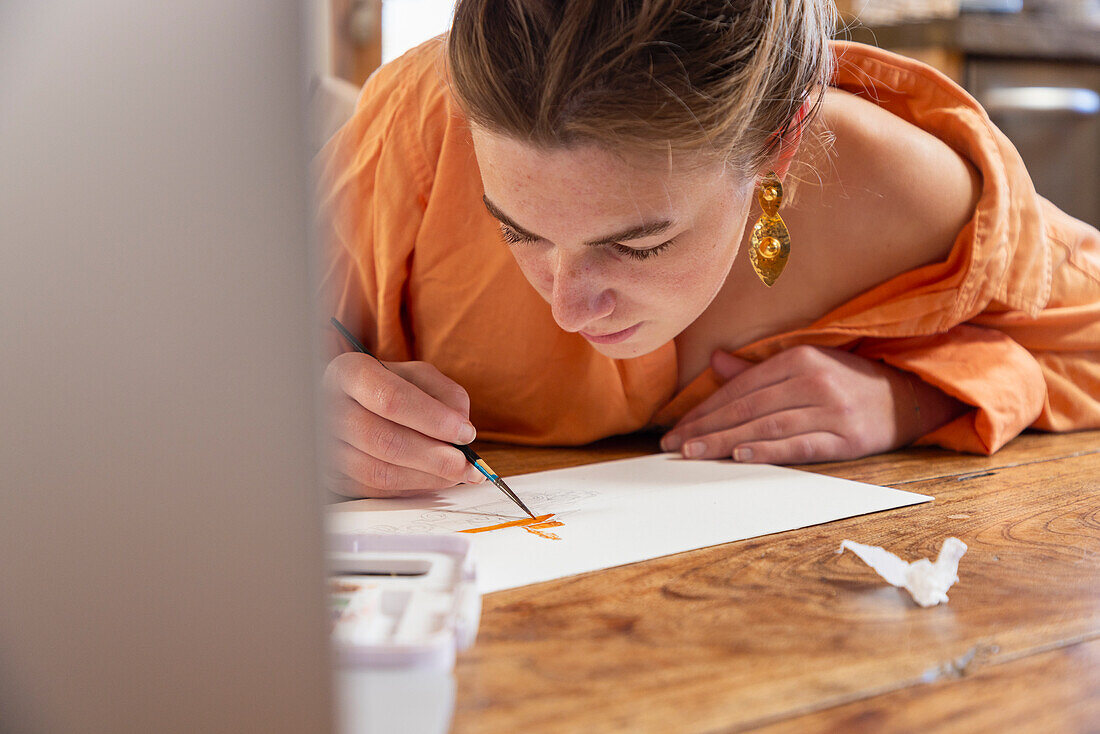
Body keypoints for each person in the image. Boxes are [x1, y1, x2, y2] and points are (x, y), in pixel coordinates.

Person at [315, 0, 1100, 499]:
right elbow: (234, 342)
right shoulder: (416, 127)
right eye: (516, 230)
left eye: (640, 244)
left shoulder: (907, 192)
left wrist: (918, 397)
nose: (565, 305)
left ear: (779, 147)